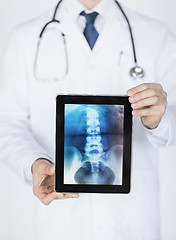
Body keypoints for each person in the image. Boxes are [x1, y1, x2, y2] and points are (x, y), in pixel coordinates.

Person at [0, 0, 176, 239]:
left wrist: (158, 120)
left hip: (133, 222)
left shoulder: (156, 34)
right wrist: (35, 162)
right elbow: (8, 122)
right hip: (62, 223)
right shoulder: (25, 38)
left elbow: (173, 120)